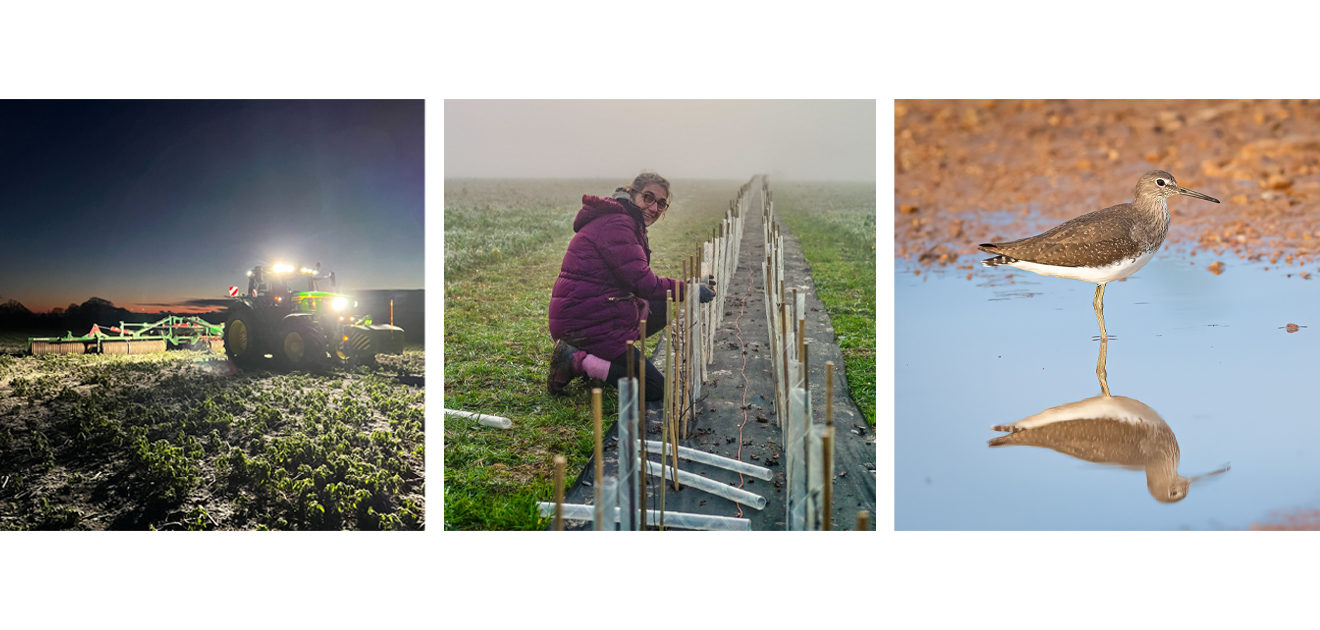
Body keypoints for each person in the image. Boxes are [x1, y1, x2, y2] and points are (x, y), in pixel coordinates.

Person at [547, 172, 713, 400]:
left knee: (661, 307)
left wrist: (688, 286)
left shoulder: (625, 220)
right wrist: (688, 289)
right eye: (648, 198)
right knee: (655, 389)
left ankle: (602, 359)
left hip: (593, 312)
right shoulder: (618, 224)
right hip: (582, 324)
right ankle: (579, 360)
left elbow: (638, 281)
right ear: (631, 194)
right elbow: (644, 283)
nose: (654, 208)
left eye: (661, 204)